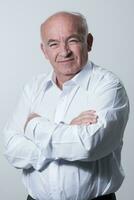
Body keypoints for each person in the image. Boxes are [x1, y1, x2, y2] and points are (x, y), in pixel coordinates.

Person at [3, 11, 129, 200]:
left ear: (89, 42)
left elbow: (89, 146)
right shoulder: (33, 88)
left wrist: (33, 126)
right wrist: (68, 130)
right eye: (53, 44)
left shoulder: (109, 85)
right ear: (44, 50)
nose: (64, 51)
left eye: (72, 40)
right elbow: (11, 149)